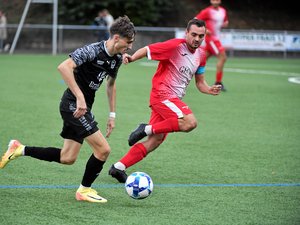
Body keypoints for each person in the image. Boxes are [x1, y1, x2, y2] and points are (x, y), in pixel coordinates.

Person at [0, 16, 136, 203]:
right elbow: (64, 67)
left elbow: (111, 85)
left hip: (83, 108)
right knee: (103, 150)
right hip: (72, 105)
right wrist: (80, 97)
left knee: (67, 157)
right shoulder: (92, 50)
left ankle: (19, 149)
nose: (129, 47)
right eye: (128, 42)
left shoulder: (117, 59)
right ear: (116, 38)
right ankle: (84, 191)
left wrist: (112, 115)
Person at [108, 18, 222, 183]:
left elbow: (200, 83)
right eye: (194, 35)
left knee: (156, 140)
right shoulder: (175, 46)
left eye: (201, 36)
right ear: (187, 33)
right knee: (189, 122)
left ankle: (118, 167)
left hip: (171, 100)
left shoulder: (201, 56)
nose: (197, 39)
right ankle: (145, 128)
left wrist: (209, 89)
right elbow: (149, 49)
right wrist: (132, 58)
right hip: (162, 94)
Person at [195, 0, 229, 91]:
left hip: (217, 38)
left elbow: (225, 21)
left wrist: (225, 24)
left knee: (201, 60)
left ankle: (184, 74)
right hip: (211, 39)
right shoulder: (207, 11)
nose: (215, 1)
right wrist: (205, 29)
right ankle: (218, 82)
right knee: (223, 57)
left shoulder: (223, 11)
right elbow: (195, 20)